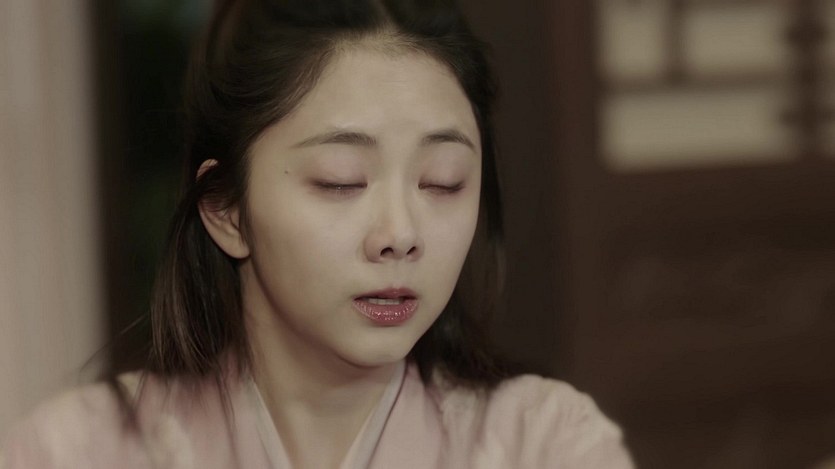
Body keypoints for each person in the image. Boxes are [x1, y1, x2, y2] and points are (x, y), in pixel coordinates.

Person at [1, 0, 634, 467]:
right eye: (340, 181)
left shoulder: (545, 444)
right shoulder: (76, 452)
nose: (400, 234)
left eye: (442, 182)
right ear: (226, 209)